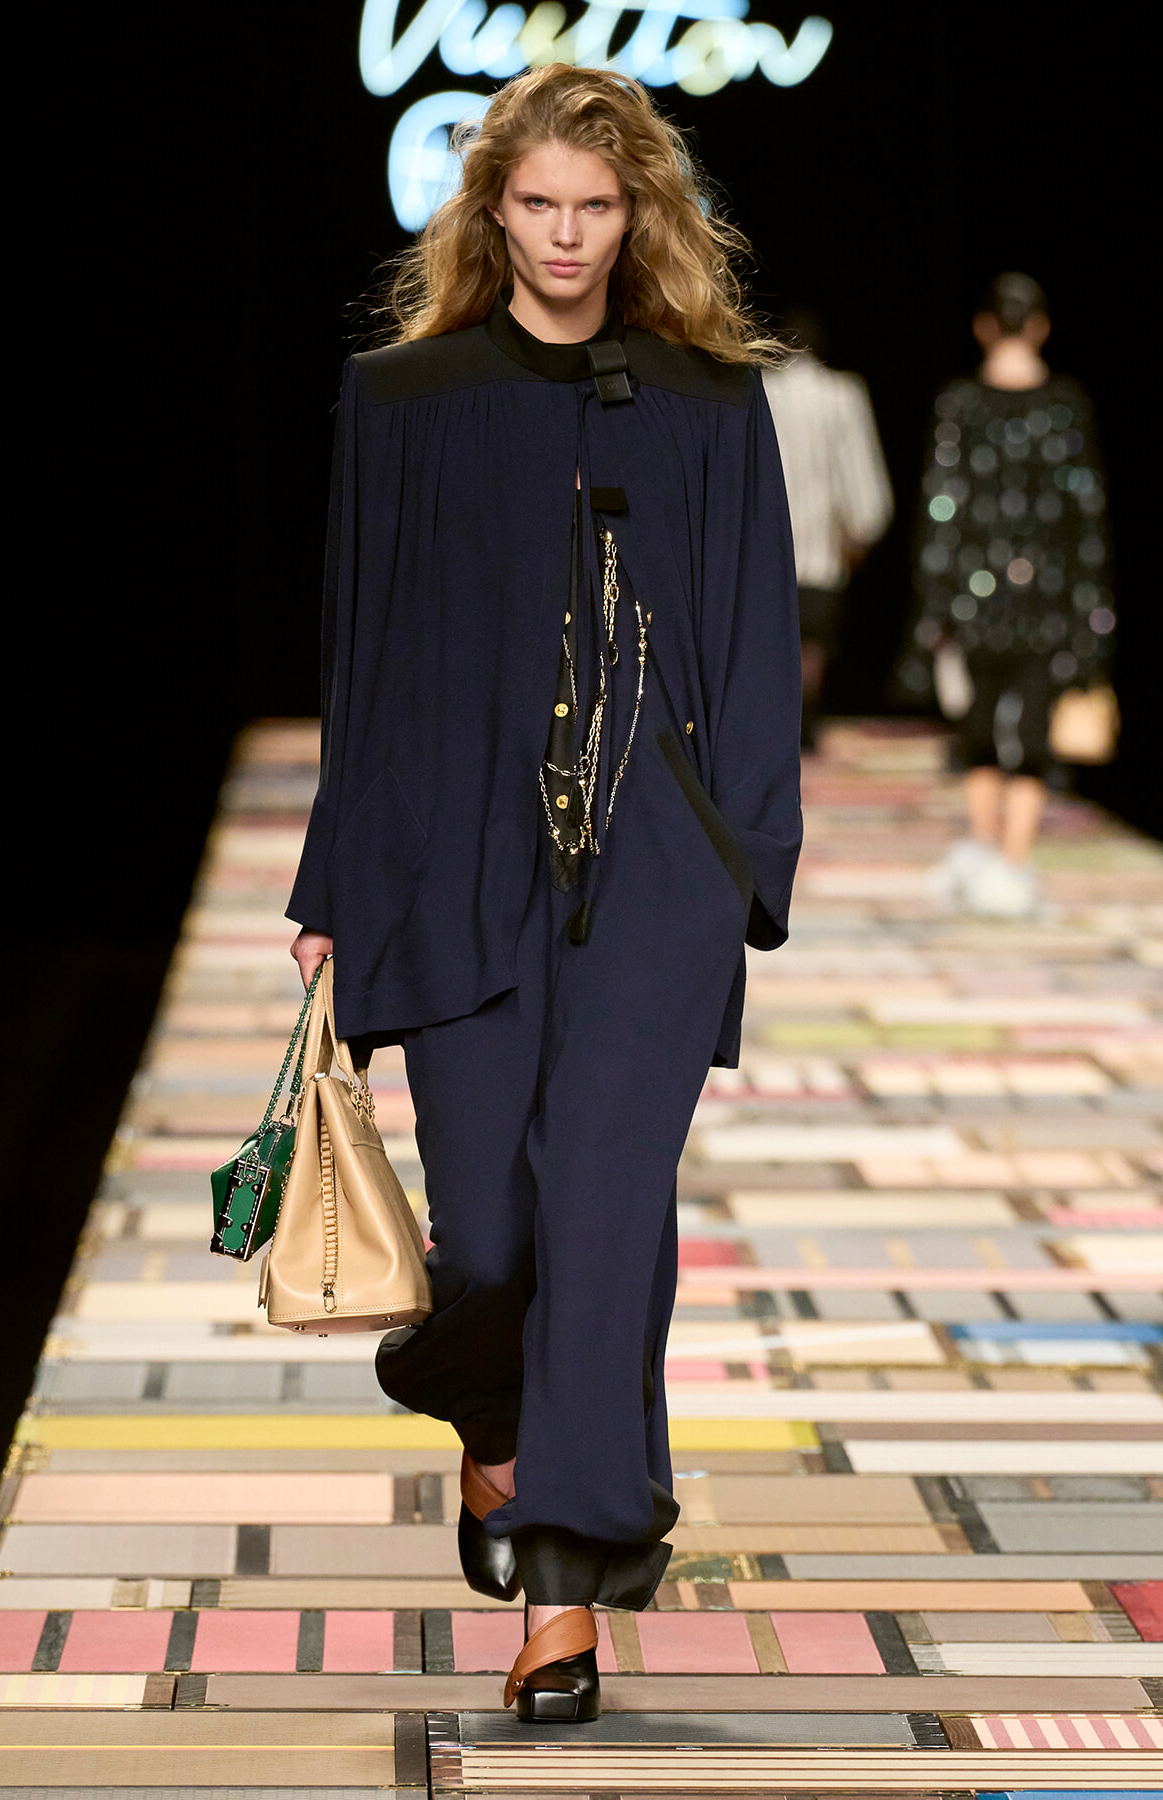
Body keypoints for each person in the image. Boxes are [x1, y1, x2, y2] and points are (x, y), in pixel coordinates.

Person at [286, 63, 802, 1723]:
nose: (569, 236)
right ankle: (494, 1418)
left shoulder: (711, 400)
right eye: (539, 206)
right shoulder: (408, 398)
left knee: (599, 1199)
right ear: (490, 209)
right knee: (491, 1232)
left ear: (635, 211)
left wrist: (746, 867)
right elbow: (363, 657)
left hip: (657, 865)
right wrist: (333, 879)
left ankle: (564, 1589)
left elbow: (752, 646)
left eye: (596, 207)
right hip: (454, 849)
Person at [909, 272, 1113, 915]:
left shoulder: (960, 403)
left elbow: (942, 507)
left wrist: (935, 603)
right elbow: (1087, 512)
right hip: (1049, 599)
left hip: (975, 598)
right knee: (1032, 729)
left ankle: (984, 849)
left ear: (984, 326)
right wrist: (1095, 609)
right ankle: (1011, 863)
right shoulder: (1067, 403)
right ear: (1043, 326)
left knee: (979, 725)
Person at [762, 307, 892, 747]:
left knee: (770, 643)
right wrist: (860, 534)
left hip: (765, 552)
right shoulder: (841, 395)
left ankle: (776, 728)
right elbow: (864, 481)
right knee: (810, 646)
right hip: (822, 555)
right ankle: (802, 728)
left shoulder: (760, 389)